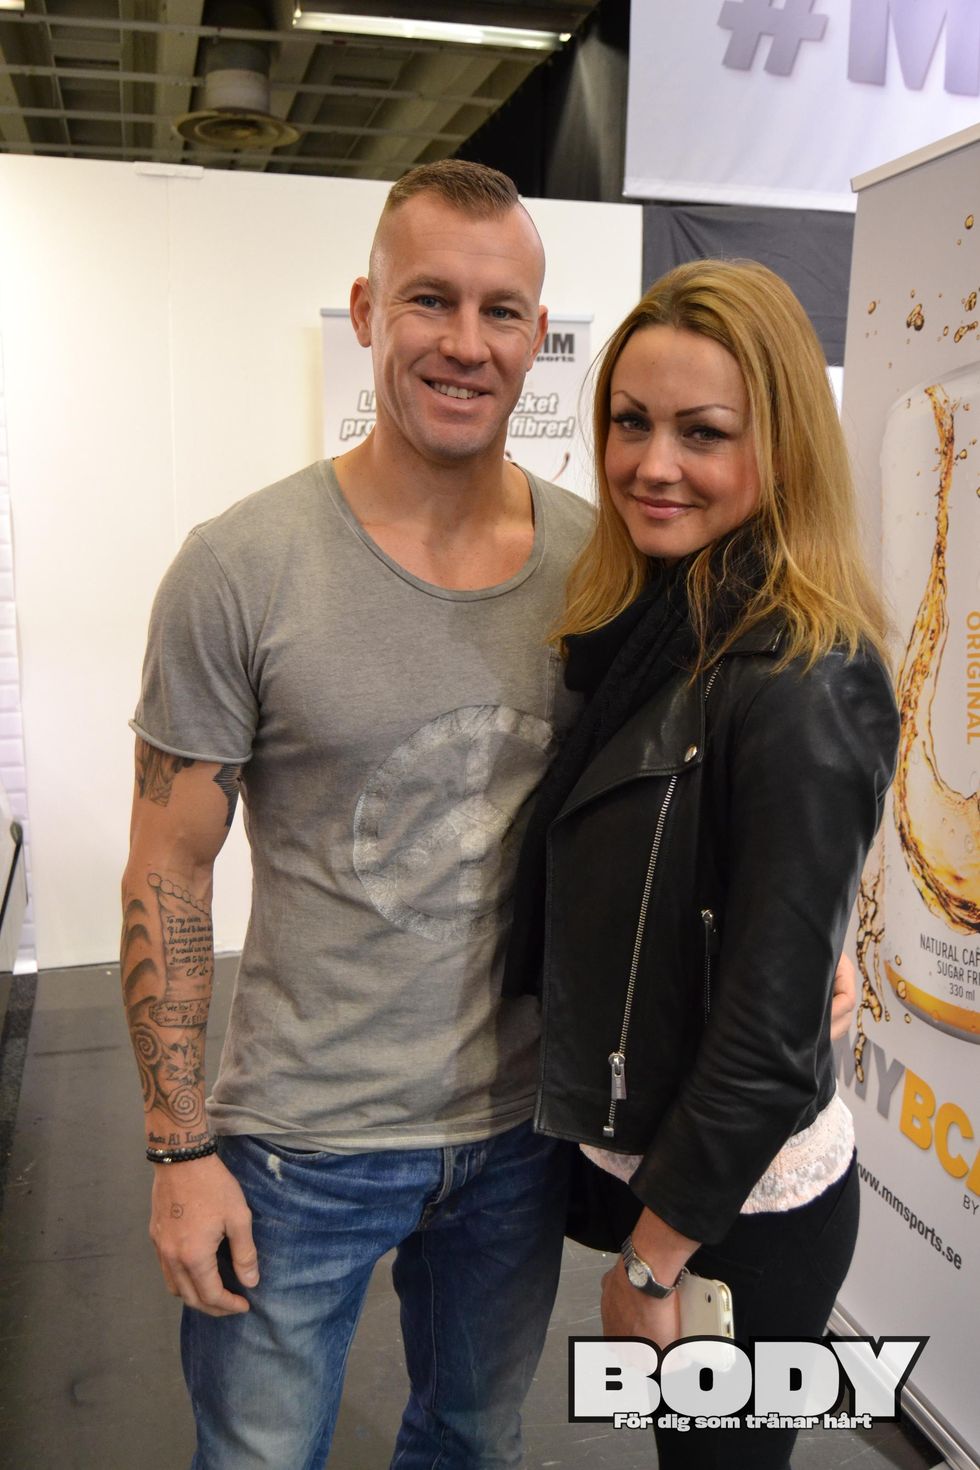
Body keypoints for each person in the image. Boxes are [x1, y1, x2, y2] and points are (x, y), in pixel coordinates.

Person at [120, 160, 594, 1469]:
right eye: (429, 299)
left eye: (501, 311)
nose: (465, 342)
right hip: (296, 1142)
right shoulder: (241, 566)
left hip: (520, 1131)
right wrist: (178, 1150)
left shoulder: (596, 566)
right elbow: (167, 866)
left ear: (536, 337)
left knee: (473, 1442)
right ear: (368, 311)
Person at [503, 259, 900, 1470]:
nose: (652, 463)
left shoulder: (804, 675)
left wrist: (648, 1263)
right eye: (630, 422)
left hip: (734, 1217)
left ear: (779, 448)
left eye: (702, 432)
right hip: (668, 1177)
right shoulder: (657, 625)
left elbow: (768, 1041)